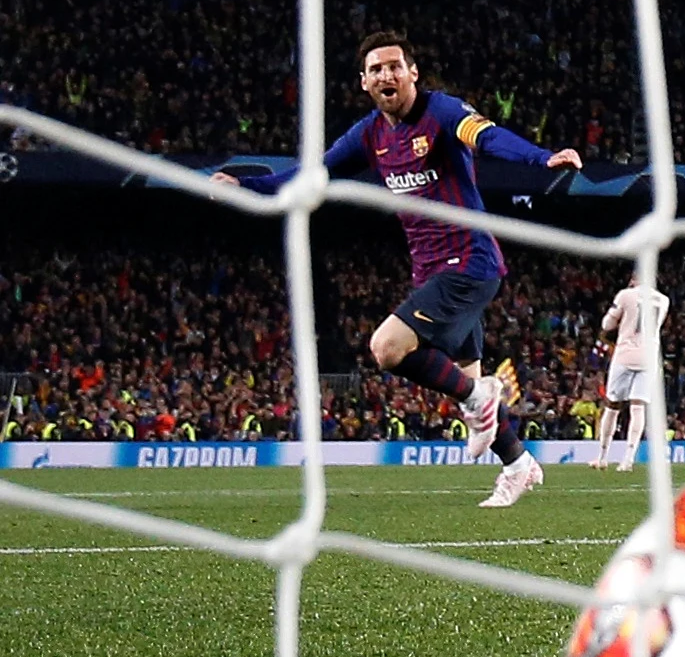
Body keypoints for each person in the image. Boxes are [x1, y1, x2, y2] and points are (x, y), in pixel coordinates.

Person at [210, 31, 583, 508]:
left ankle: (481, 398)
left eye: (394, 66)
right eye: (376, 69)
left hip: (468, 261)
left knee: (387, 348)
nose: (386, 74)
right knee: (467, 380)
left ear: (413, 73)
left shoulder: (442, 112)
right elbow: (315, 172)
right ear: (364, 82)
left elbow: (484, 135)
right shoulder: (369, 134)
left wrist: (539, 157)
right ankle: (517, 464)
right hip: (428, 269)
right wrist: (250, 187)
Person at [589, 275, 669, 471]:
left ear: (635, 279)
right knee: (638, 407)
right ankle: (628, 459)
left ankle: (602, 456)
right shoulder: (664, 300)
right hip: (650, 358)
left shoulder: (626, 295)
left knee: (612, 406)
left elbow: (607, 325)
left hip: (626, 354)